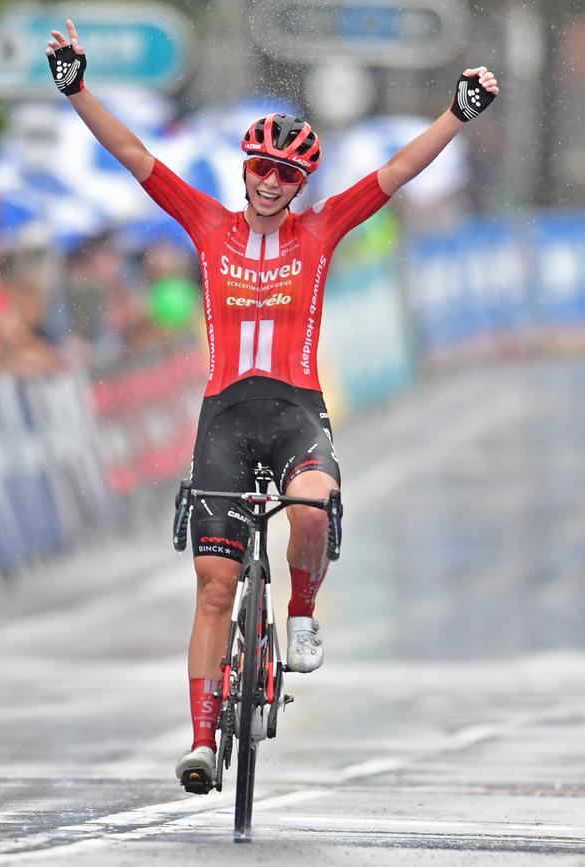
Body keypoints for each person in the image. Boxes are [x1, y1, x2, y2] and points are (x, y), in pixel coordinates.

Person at [46, 20, 499, 792]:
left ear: (302, 186)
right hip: (223, 416)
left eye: (284, 175)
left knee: (314, 506)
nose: (267, 182)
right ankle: (199, 739)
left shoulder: (322, 232)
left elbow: (397, 171)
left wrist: (456, 113)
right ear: (245, 168)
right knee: (215, 587)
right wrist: (77, 89)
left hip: (295, 411)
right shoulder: (206, 225)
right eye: (259, 166)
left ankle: (303, 610)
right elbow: (132, 157)